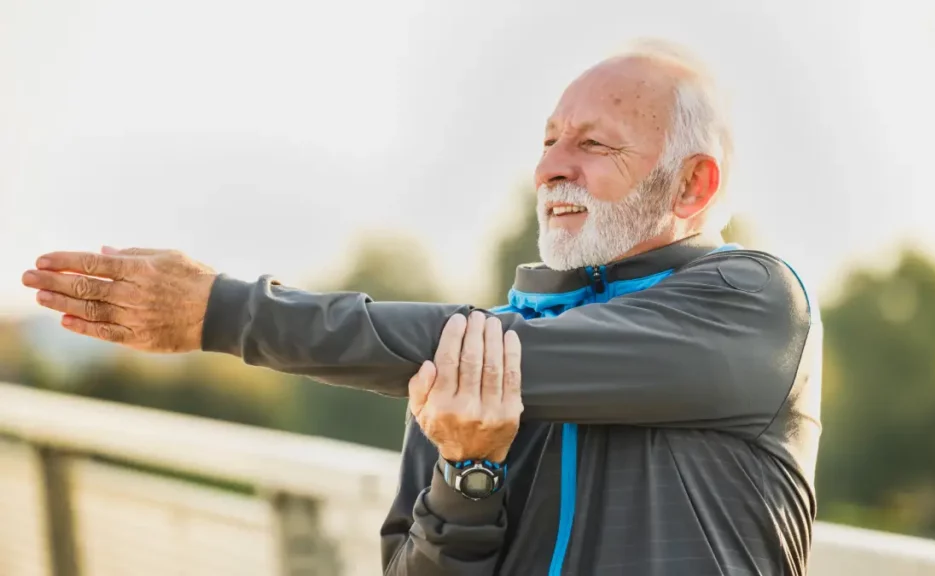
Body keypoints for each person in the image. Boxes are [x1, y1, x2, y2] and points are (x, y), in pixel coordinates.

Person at [21, 39, 822, 575]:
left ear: (694, 184)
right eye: (547, 141)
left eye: (593, 144)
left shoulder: (752, 303)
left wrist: (223, 314)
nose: (549, 168)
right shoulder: (463, 358)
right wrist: (465, 482)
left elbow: (509, 355)